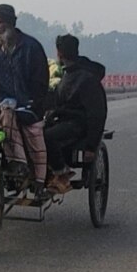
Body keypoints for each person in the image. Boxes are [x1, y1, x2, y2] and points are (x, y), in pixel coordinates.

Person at [0, 4, 50, 199]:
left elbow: (41, 81)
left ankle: (38, 181)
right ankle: (13, 164)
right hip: (5, 108)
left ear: (11, 23)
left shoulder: (31, 48)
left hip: (29, 107)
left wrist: (34, 102)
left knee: (34, 137)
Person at [44, 34, 108, 193]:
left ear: (59, 53)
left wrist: (91, 147)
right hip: (63, 120)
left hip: (78, 124)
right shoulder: (69, 74)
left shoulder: (86, 79)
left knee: (46, 138)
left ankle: (61, 172)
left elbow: (97, 114)